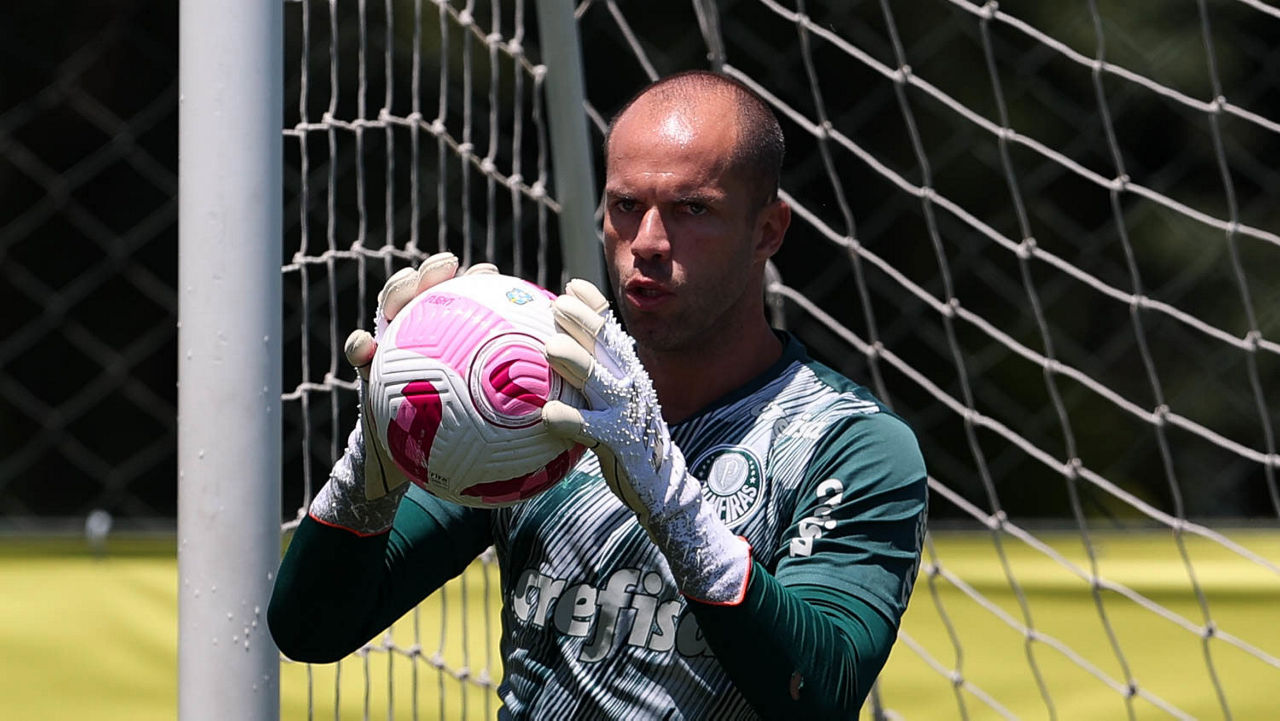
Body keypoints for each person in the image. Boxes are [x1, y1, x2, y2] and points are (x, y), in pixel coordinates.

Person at [269, 70, 928, 720]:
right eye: (626, 206)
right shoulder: (526, 403)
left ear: (768, 231)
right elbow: (310, 630)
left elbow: (822, 691)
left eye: (692, 209)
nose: (649, 242)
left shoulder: (849, 442)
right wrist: (376, 459)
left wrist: (671, 502)